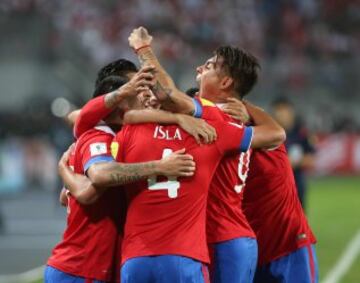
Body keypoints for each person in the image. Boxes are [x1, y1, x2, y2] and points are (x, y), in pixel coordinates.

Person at [127, 27, 285, 283]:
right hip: (228, 236)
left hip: (221, 239)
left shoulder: (211, 114)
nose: (200, 69)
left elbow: (166, 94)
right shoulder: (231, 116)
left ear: (225, 83)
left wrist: (143, 49)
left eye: (210, 66)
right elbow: (276, 133)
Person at [45, 65, 198, 283]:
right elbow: (95, 182)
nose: (148, 97)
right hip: (83, 269)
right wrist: (159, 167)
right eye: (139, 91)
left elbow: (66, 195)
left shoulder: (127, 138)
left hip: (109, 266)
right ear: (120, 101)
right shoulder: (100, 136)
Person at [272, 97, 315, 210]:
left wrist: (294, 162)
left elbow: (311, 158)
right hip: (274, 183)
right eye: (278, 110)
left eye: (284, 110)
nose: (281, 114)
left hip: (297, 182)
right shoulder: (270, 132)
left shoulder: (302, 133)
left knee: (298, 219)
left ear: (291, 111)